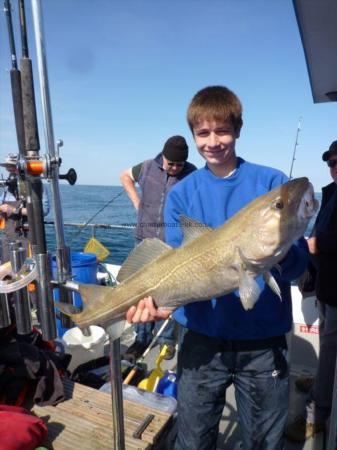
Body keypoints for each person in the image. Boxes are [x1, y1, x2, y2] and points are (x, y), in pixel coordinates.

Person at [126, 85, 309, 450]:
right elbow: (175, 261)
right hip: (200, 338)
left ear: (238, 130)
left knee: (264, 441)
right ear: (194, 135)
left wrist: (279, 252)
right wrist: (159, 302)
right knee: (193, 439)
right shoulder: (183, 193)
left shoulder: (271, 183)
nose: (213, 141)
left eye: (222, 131)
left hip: (262, 341)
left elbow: (297, 265)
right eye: (203, 133)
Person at [120, 136, 196, 360]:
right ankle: (140, 339)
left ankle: (166, 341)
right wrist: (137, 202)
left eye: (178, 165)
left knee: (169, 292)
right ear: (162, 157)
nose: (173, 168)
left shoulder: (193, 174)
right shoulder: (145, 167)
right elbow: (124, 176)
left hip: (172, 245)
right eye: (170, 163)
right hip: (144, 239)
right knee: (141, 290)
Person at [285, 140, 337, 443]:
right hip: (326, 284)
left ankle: (318, 414)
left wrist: (316, 245)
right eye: (330, 162)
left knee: (330, 351)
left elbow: (325, 239)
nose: (334, 167)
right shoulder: (331, 194)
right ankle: (319, 385)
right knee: (326, 345)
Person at [0, 154, 50, 263]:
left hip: (28, 238)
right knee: (8, 274)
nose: (11, 171)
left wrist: (14, 210)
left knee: (28, 270)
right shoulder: (5, 189)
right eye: (8, 168)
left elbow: (44, 211)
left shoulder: (38, 187)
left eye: (13, 167)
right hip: (8, 238)